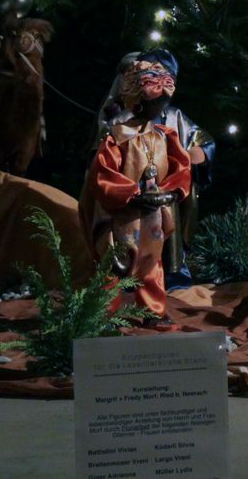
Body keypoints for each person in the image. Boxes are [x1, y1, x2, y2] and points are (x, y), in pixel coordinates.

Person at [78, 56, 193, 326]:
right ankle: (104, 312)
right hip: (122, 213)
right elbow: (103, 174)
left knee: (151, 263)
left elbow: (182, 168)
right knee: (114, 264)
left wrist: (173, 192)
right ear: (138, 102)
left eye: (163, 104)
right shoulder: (117, 137)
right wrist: (132, 194)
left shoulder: (164, 136)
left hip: (153, 213)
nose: (160, 109)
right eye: (155, 104)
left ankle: (152, 310)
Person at [96, 50, 213, 289]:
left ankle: (169, 274)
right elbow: (104, 168)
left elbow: (189, 155)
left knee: (164, 233)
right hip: (129, 191)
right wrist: (129, 192)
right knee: (128, 237)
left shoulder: (172, 121)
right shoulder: (117, 124)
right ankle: (124, 274)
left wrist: (179, 177)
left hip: (163, 190)